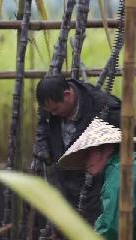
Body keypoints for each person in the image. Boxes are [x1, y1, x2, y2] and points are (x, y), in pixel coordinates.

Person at [32, 73, 122, 209]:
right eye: (50, 112)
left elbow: (127, 144)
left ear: (68, 95)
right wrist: (42, 145)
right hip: (66, 184)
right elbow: (42, 125)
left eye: (56, 109)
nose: (53, 114)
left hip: (100, 187)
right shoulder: (52, 104)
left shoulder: (105, 108)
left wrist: (104, 157)